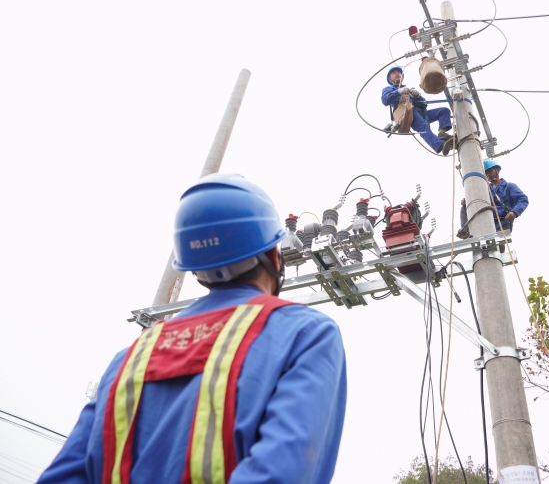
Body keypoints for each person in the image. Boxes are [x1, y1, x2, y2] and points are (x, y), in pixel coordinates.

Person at [38, 174, 347, 484]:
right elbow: (284, 471)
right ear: (272, 255)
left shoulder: (129, 360)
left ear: (194, 269)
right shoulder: (306, 334)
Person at [381, 66, 455, 155]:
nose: (397, 74)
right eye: (394, 73)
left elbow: (423, 102)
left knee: (444, 111)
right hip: (408, 112)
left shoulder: (408, 88)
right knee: (423, 127)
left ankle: (442, 134)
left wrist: (417, 95)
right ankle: (440, 145)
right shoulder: (388, 89)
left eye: (398, 72)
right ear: (390, 78)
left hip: (421, 111)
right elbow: (385, 100)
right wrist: (398, 91)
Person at [460, 159, 529, 235]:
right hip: (485, 223)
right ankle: (465, 231)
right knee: (464, 207)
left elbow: (523, 199)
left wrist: (514, 212)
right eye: (485, 173)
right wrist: (468, 201)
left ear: (498, 170)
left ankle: (501, 246)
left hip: (502, 223)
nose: (488, 174)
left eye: (490, 171)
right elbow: (476, 203)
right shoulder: (484, 190)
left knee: (499, 243)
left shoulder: (509, 187)